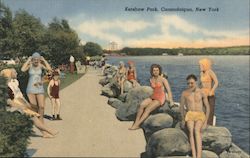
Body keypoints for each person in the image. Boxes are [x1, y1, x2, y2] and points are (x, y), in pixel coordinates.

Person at [1, 68, 58, 138]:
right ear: (9, 75)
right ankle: (49, 131)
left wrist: (26, 102)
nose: (16, 73)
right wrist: (19, 105)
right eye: (14, 73)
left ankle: (45, 133)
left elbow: (19, 93)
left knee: (34, 116)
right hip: (15, 103)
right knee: (33, 117)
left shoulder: (15, 82)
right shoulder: (6, 86)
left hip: (20, 100)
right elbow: (9, 100)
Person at [129, 64, 174, 130]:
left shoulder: (163, 79)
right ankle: (136, 122)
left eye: (157, 70)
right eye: (154, 70)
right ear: (152, 71)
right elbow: (153, 89)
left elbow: (169, 90)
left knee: (148, 109)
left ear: (159, 71)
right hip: (153, 96)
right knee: (142, 105)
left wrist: (171, 101)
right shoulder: (151, 79)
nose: (155, 72)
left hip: (160, 97)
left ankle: (137, 125)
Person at [180, 74, 210, 158]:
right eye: (188, 83)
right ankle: (194, 155)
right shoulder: (185, 93)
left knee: (197, 130)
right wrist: (183, 119)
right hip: (190, 114)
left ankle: (199, 156)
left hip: (200, 114)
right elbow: (181, 107)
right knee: (190, 130)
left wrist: (205, 122)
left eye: (192, 83)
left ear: (196, 82)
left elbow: (207, 107)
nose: (190, 85)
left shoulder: (201, 92)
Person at [21, 52, 52, 123]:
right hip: (30, 88)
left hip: (39, 88)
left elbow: (49, 69)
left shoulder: (41, 65)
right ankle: (36, 121)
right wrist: (28, 60)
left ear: (39, 60)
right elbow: (22, 69)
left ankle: (41, 121)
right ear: (32, 59)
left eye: (37, 59)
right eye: (34, 59)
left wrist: (44, 60)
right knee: (34, 106)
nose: (36, 61)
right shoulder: (30, 65)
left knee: (41, 106)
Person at [199, 58, 218, 126]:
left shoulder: (210, 72)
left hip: (209, 94)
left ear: (205, 65)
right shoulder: (201, 73)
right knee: (202, 110)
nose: (199, 67)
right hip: (202, 93)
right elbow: (200, 84)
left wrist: (212, 91)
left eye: (201, 65)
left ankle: (209, 125)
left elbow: (216, 82)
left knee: (209, 111)